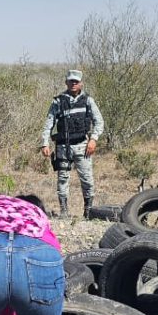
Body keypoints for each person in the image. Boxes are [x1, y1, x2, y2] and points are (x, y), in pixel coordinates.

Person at [40, 70, 104, 217]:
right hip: (63, 147)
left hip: (83, 146)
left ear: (81, 82)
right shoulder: (58, 101)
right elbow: (48, 123)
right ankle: (64, 211)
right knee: (62, 179)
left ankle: (88, 212)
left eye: (76, 81)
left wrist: (93, 139)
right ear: (66, 82)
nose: (73, 84)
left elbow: (99, 121)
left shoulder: (88, 100)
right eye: (71, 81)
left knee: (87, 179)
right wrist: (45, 143)